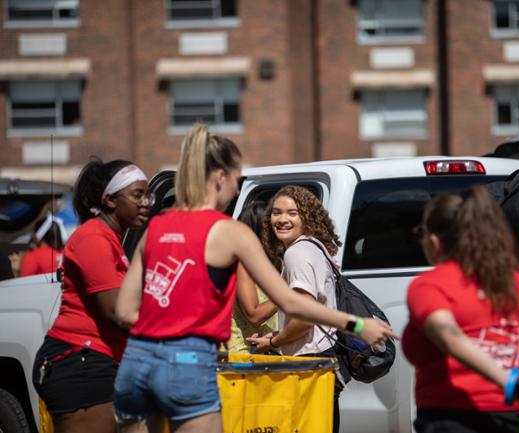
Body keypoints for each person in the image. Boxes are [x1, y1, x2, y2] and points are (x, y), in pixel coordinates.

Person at [113, 124, 395, 433]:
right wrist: (356, 324)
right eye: (236, 179)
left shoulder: (156, 228)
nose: (236, 189)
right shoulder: (229, 232)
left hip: (137, 363)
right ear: (220, 177)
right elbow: (291, 302)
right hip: (188, 363)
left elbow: (125, 311)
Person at [402, 186, 519, 433]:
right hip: (510, 416)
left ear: (434, 240)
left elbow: (448, 335)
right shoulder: (507, 282)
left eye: (421, 233)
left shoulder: (429, 285)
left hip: (451, 418)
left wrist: (510, 382)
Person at [32, 159, 152, 433]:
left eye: (148, 194)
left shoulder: (110, 239)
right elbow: (116, 312)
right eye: (137, 195)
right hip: (80, 361)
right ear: (109, 200)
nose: (146, 202)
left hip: (101, 360)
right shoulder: (92, 238)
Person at [248, 185, 344, 433]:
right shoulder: (314, 247)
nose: (282, 219)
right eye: (276, 213)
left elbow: (305, 318)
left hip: (308, 365)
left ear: (307, 217)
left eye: (292, 213)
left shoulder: (297, 254)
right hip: (321, 360)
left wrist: (274, 341)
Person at [228, 200, 277, 353]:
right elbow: (254, 315)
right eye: (273, 229)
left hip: (262, 352)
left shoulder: (270, 262)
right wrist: (289, 292)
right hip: (241, 357)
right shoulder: (242, 264)